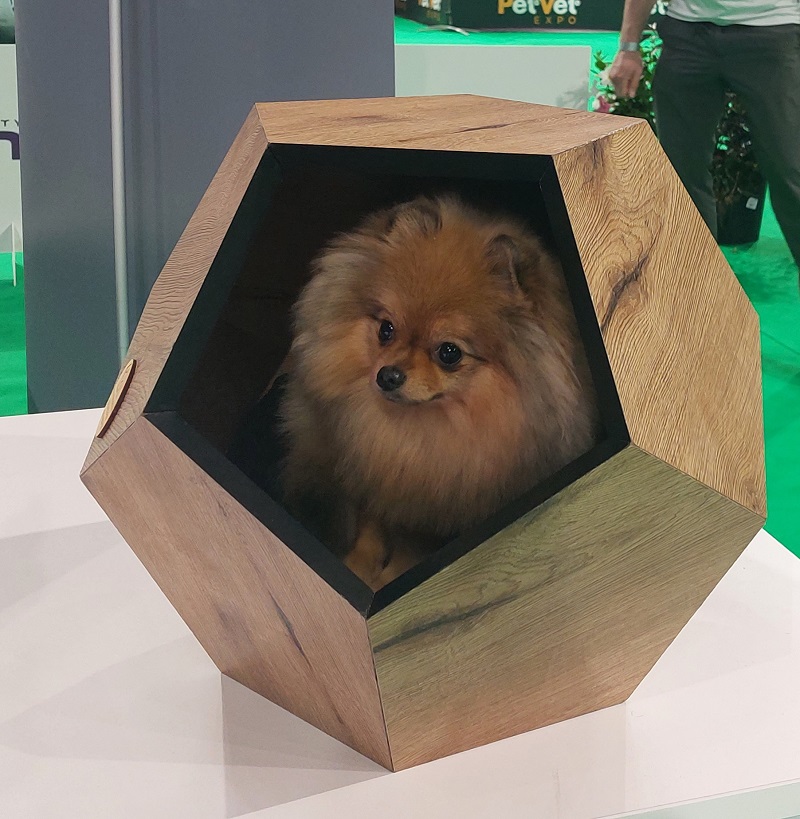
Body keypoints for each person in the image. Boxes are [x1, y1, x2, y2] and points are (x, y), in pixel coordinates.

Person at [609, 0, 800, 274]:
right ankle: (695, 280)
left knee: (790, 170)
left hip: (773, 30)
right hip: (687, 34)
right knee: (680, 174)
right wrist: (628, 47)